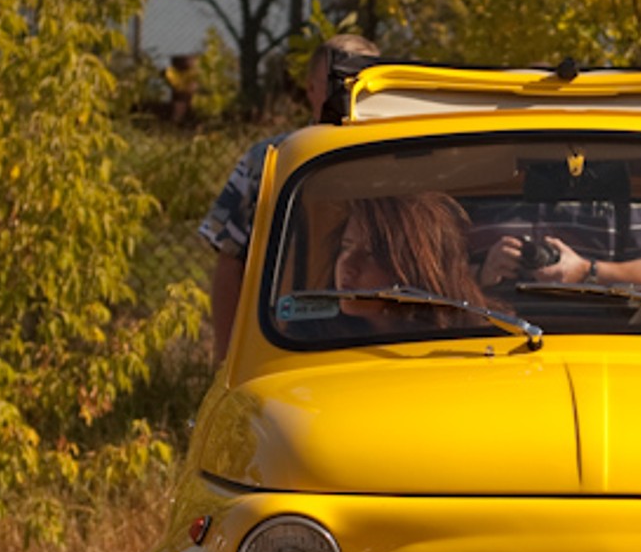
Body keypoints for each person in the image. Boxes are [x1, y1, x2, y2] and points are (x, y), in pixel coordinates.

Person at [198, 31, 380, 364]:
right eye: (336, 83)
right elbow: (230, 261)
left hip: (384, 344)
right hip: (289, 347)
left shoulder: (397, 161)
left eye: (360, 84)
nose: (348, 94)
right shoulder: (271, 160)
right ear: (311, 90)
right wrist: (226, 361)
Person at [331, 193, 494, 329]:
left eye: (371, 254)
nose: (348, 265)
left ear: (414, 267)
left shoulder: (480, 339)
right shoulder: (315, 342)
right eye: (346, 247)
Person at [468, 199, 641, 289]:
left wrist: (587, 270)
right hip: (488, 335)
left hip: (598, 337)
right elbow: (436, 280)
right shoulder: (480, 178)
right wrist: (483, 273)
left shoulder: (623, 190)